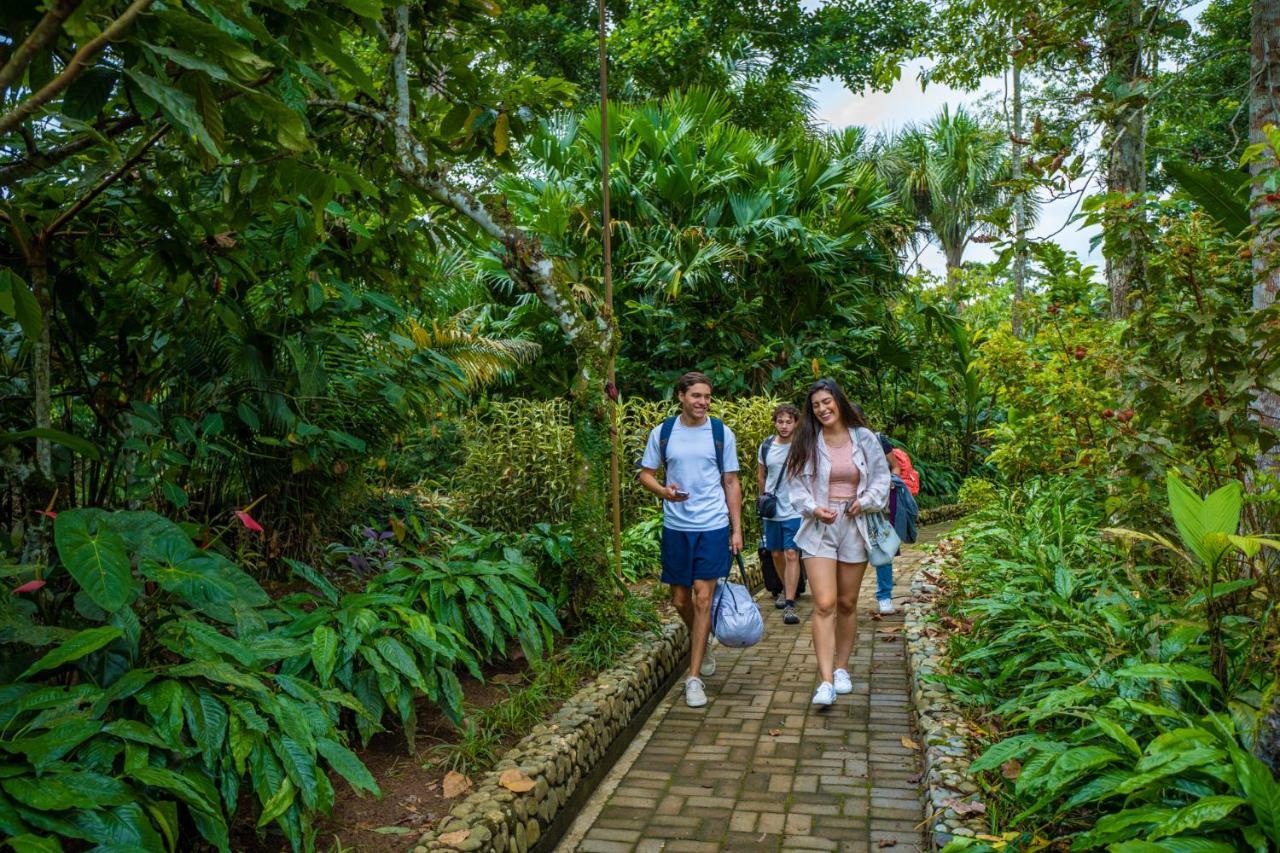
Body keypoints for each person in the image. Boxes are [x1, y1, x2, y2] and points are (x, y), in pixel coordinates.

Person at [638, 372, 744, 708]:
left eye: (707, 397)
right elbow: (646, 475)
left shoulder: (720, 433)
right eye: (696, 396)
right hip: (677, 528)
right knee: (681, 600)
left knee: (702, 598)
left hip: (712, 526)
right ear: (681, 396)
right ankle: (704, 636)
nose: (703, 402)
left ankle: (694, 677)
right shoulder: (664, 432)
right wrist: (664, 493)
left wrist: (736, 528)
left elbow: (731, 482)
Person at [786, 378, 890, 706]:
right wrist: (813, 508)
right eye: (816, 405)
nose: (822, 409)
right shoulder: (806, 440)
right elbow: (795, 486)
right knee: (825, 603)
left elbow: (881, 477)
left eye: (827, 402)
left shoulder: (864, 438)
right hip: (819, 526)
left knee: (846, 603)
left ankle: (843, 668)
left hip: (855, 525)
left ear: (838, 402)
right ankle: (826, 680)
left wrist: (868, 500)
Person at [757, 403, 803, 625]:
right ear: (775, 422)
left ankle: (790, 602)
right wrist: (763, 499)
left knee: (791, 553)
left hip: (795, 509)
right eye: (780, 421)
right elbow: (761, 474)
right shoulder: (766, 446)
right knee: (775, 553)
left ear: (795, 423)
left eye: (788, 422)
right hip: (772, 510)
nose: (784, 426)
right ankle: (787, 587)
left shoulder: (803, 446)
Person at [872, 434, 919, 614]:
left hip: (881, 504)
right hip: (851, 505)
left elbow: (896, 468)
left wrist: (888, 485)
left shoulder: (877, 440)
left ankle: (884, 597)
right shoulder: (836, 441)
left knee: (883, 549)